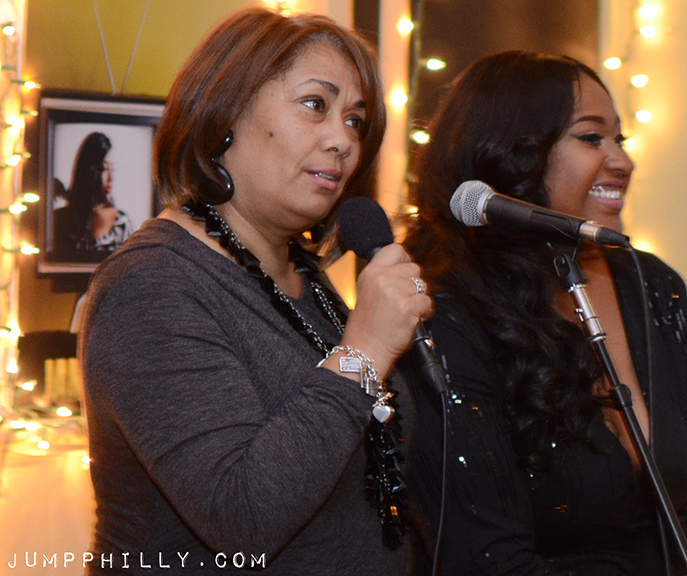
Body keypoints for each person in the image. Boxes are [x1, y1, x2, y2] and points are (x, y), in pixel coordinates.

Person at [78, 8, 432, 575]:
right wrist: (364, 352)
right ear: (225, 113)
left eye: (356, 121)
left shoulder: (305, 278)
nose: (343, 140)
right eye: (315, 104)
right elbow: (240, 518)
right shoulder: (150, 285)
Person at [403, 51, 687, 575]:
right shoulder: (446, 311)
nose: (622, 161)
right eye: (591, 138)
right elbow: (485, 556)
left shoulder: (652, 285)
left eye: (620, 139)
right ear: (511, 155)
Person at [53, 132, 133, 260]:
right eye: (105, 168)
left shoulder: (121, 222)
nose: (111, 178)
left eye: (113, 169)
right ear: (90, 170)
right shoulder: (60, 219)